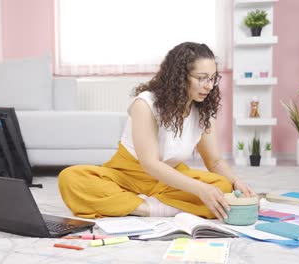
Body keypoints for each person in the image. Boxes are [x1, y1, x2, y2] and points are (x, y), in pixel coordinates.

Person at [58, 42, 256, 222]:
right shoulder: (145, 103)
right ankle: (152, 209)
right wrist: (200, 190)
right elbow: (150, 164)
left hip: (169, 179)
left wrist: (236, 182)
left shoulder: (203, 110)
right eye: (202, 78)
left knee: (221, 186)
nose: (209, 86)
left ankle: (132, 205)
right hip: (127, 176)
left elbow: (214, 161)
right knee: (71, 178)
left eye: (213, 79)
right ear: (180, 77)